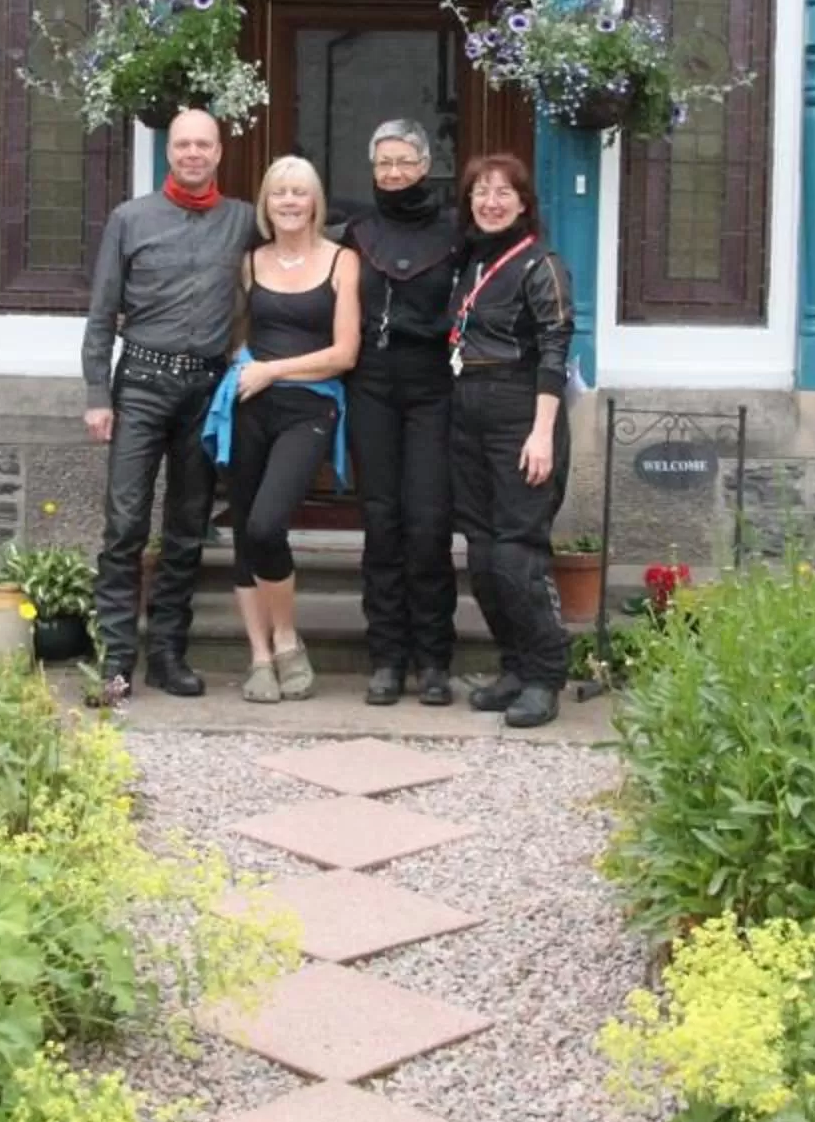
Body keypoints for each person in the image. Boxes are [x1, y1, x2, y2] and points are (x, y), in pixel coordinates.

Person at [81, 107, 258, 709]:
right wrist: (97, 395)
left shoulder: (242, 220)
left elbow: (296, 246)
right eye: (183, 144)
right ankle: (115, 662)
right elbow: (102, 312)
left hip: (205, 389)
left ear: (219, 152)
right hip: (140, 383)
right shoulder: (130, 219)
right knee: (125, 524)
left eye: (203, 145)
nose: (192, 154)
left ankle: (167, 655)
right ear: (169, 151)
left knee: (187, 526)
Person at [206, 156, 360, 703]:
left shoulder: (342, 261)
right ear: (265, 205)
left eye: (299, 192)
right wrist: (242, 366)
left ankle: (288, 639)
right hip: (249, 406)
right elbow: (235, 330)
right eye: (279, 193)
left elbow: (345, 353)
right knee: (245, 531)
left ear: (315, 202)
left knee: (268, 524)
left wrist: (272, 370)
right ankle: (260, 657)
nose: (289, 202)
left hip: (310, 407)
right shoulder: (250, 262)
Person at [447, 153, 575, 730]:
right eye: (481, 191)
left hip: (521, 414)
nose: (490, 202)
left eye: (503, 192)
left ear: (524, 203)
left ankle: (546, 676)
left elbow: (555, 350)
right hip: (467, 412)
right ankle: (514, 667)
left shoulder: (542, 265)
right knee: (481, 555)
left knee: (517, 555)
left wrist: (542, 433)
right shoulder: (471, 262)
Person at [343, 119, 461, 706]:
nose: (393, 173)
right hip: (372, 382)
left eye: (404, 161)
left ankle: (434, 660)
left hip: (433, 384)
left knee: (429, 521)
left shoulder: (457, 231)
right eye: (383, 162)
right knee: (381, 520)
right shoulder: (357, 233)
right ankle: (387, 657)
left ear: (424, 166)